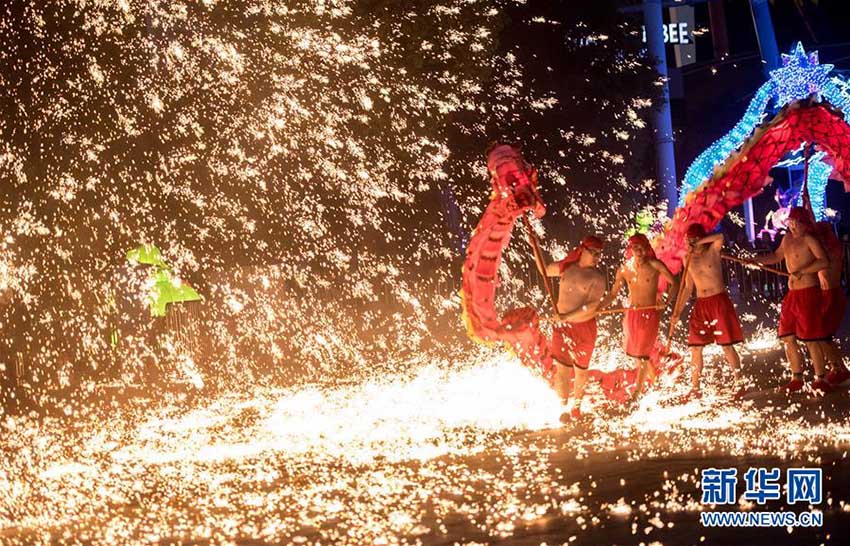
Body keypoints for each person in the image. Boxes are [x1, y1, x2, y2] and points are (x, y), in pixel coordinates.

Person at [754, 207, 831, 393]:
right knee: (787, 337)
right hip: (792, 295)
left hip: (808, 293)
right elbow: (776, 256)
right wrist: (757, 260)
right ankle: (796, 377)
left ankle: (821, 379)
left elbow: (824, 261)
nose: (793, 226)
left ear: (805, 224)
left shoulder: (809, 240)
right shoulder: (786, 239)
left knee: (811, 339)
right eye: (791, 222)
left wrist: (803, 271)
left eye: (797, 223)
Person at [673, 224, 744, 400]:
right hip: (701, 304)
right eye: (689, 240)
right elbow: (688, 287)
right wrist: (677, 311)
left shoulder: (713, 250)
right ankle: (695, 388)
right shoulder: (687, 258)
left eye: (694, 239)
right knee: (695, 348)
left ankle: (740, 383)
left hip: (718, 301)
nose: (691, 243)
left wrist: (699, 242)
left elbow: (720, 237)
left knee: (727, 346)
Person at [604, 234, 676, 402]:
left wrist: (666, 301)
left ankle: (637, 393)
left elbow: (675, 283)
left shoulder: (655, 265)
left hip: (650, 314)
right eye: (635, 248)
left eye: (641, 247)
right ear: (631, 250)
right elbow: (613, 294)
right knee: (636, 354)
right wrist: (597, 308)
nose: (638, 251)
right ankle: (654, 381)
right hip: (632, 314)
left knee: (642, 355)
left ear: (646, 248)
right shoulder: (624, 269)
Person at [542, 236, 606, 420]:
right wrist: (535, 246)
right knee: (561, 368)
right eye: (592, 252)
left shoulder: (597, 278)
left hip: (583, 328)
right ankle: (562, 407)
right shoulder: (567, 268)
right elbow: (546, 270)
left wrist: (567, 317)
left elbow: (591, 306)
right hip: (562, 326)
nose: (596, 257)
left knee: (580, 370)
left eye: (598, 254)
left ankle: (576, 407)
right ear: (582, 250)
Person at [814, 221, 850, 386]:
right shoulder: (830, 246)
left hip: (832, 295)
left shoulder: (830, 249)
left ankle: (838, 369)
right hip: (828, 294)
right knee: (824, 336)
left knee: (822, 335)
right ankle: (838, 368)